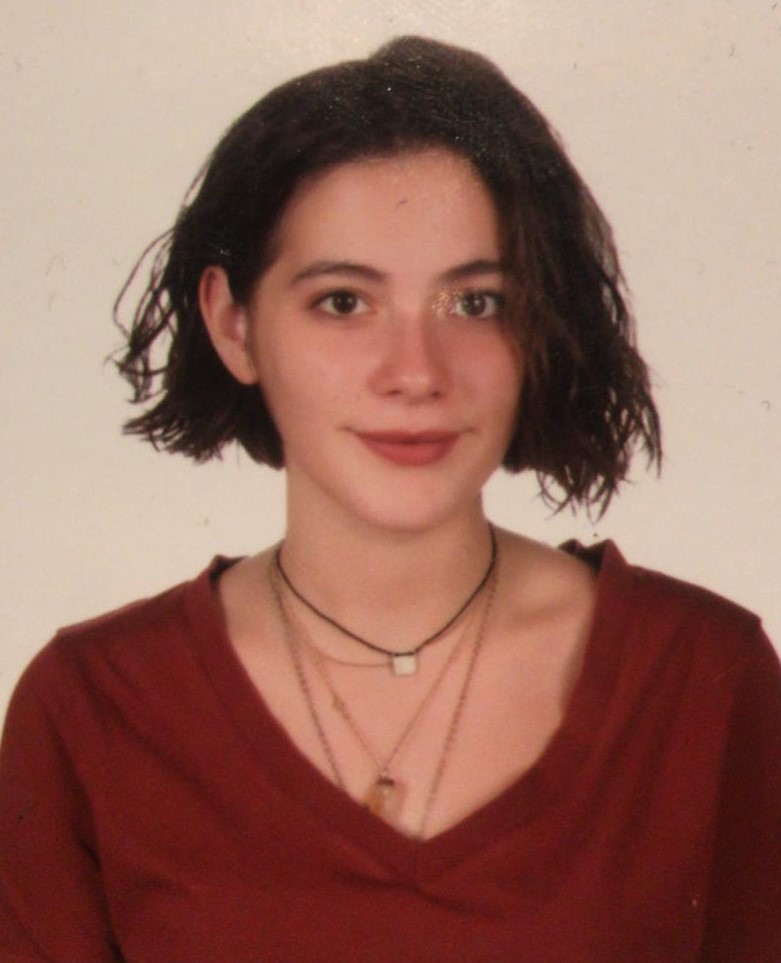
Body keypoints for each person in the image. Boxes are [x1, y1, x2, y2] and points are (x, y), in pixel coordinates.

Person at [0, 35, 779, 963]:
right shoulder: (91, 706)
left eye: (475, 302)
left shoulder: (702, 678)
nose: (415, 372)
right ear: (233, 325)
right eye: (343, 302)